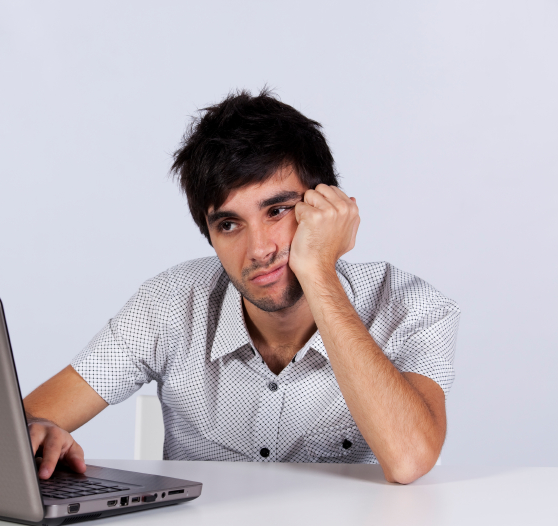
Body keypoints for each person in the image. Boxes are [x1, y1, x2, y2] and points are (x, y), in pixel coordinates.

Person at [24, 89, 460, 485]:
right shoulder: (171, 303)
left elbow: (408, 460)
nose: (258, 249)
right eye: (229, 224)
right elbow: (21, 424)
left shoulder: (410, 306)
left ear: (327, 207)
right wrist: (35, 433)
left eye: (278, 210)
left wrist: (319, 274)